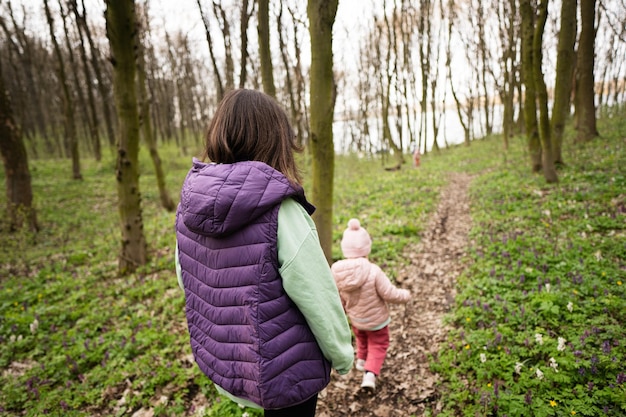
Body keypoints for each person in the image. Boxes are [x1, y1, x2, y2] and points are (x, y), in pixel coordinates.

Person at [174, 89, 354, 416]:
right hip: (287, 373)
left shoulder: (189, 205)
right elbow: (317, 295)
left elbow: (188, 280)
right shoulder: (281, 212)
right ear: (277, 140)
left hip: (230, 364)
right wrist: (342, 354)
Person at [331, 218, 411, 391]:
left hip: (357, 319)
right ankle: (370, 375)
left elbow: (340, 300)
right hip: (377, 321)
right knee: (378, 344)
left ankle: (361, 359)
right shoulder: (373, 271)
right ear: (366, 249)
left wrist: (342, 314)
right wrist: (404, 295)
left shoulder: (339, 274)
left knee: (362, 338)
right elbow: (389, 293)